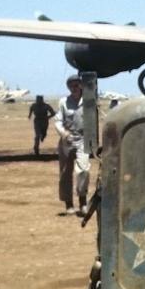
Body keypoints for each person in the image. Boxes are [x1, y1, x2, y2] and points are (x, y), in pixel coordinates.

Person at [56, 76, 90, 216]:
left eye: (76, 85)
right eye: (71, 86)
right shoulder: (63, 102)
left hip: (82, 139)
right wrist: (63, 133)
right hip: (67, 141)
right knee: (65, 173)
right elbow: (58, 120)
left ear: (81, 85)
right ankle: (68, 204)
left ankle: (83, 202)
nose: (74, 88)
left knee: (83, 170)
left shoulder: (89, 101)